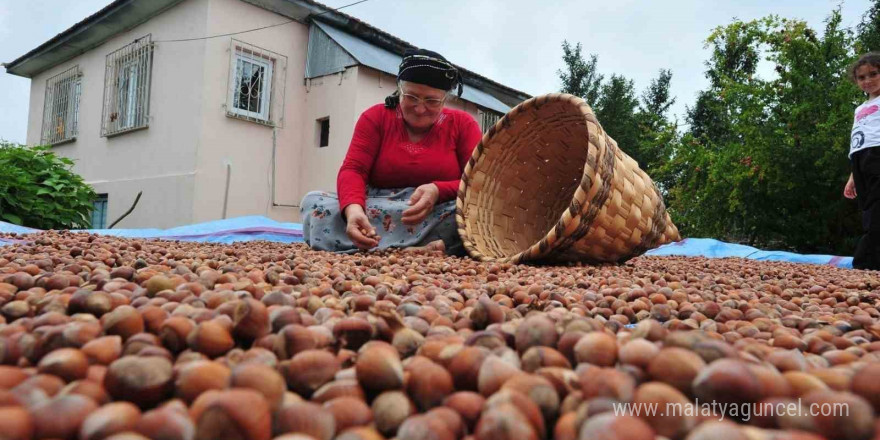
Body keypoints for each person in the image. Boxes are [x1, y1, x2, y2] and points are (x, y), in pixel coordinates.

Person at [301, 48, 483, 255]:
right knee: (314, 202)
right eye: (412, 97)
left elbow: (476, 182)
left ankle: (383, 245)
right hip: (378, 204)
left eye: (431, 101)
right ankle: (439, 246)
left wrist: (438, 191)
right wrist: (353, 211)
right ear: (399, 91)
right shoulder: (375, 118)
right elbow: (353, 170)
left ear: (445, 100)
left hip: (437, 208)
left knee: (476, 214)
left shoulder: (463, 124)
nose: (420, 108)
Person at [845, 52, 880, 270]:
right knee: (868, 208)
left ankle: (866, 262)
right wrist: (852, 177)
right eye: (862, 77)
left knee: (878, 207)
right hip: (861, 159)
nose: (868, 80)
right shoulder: (859, 109)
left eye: (874, 74)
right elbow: (857, 141)